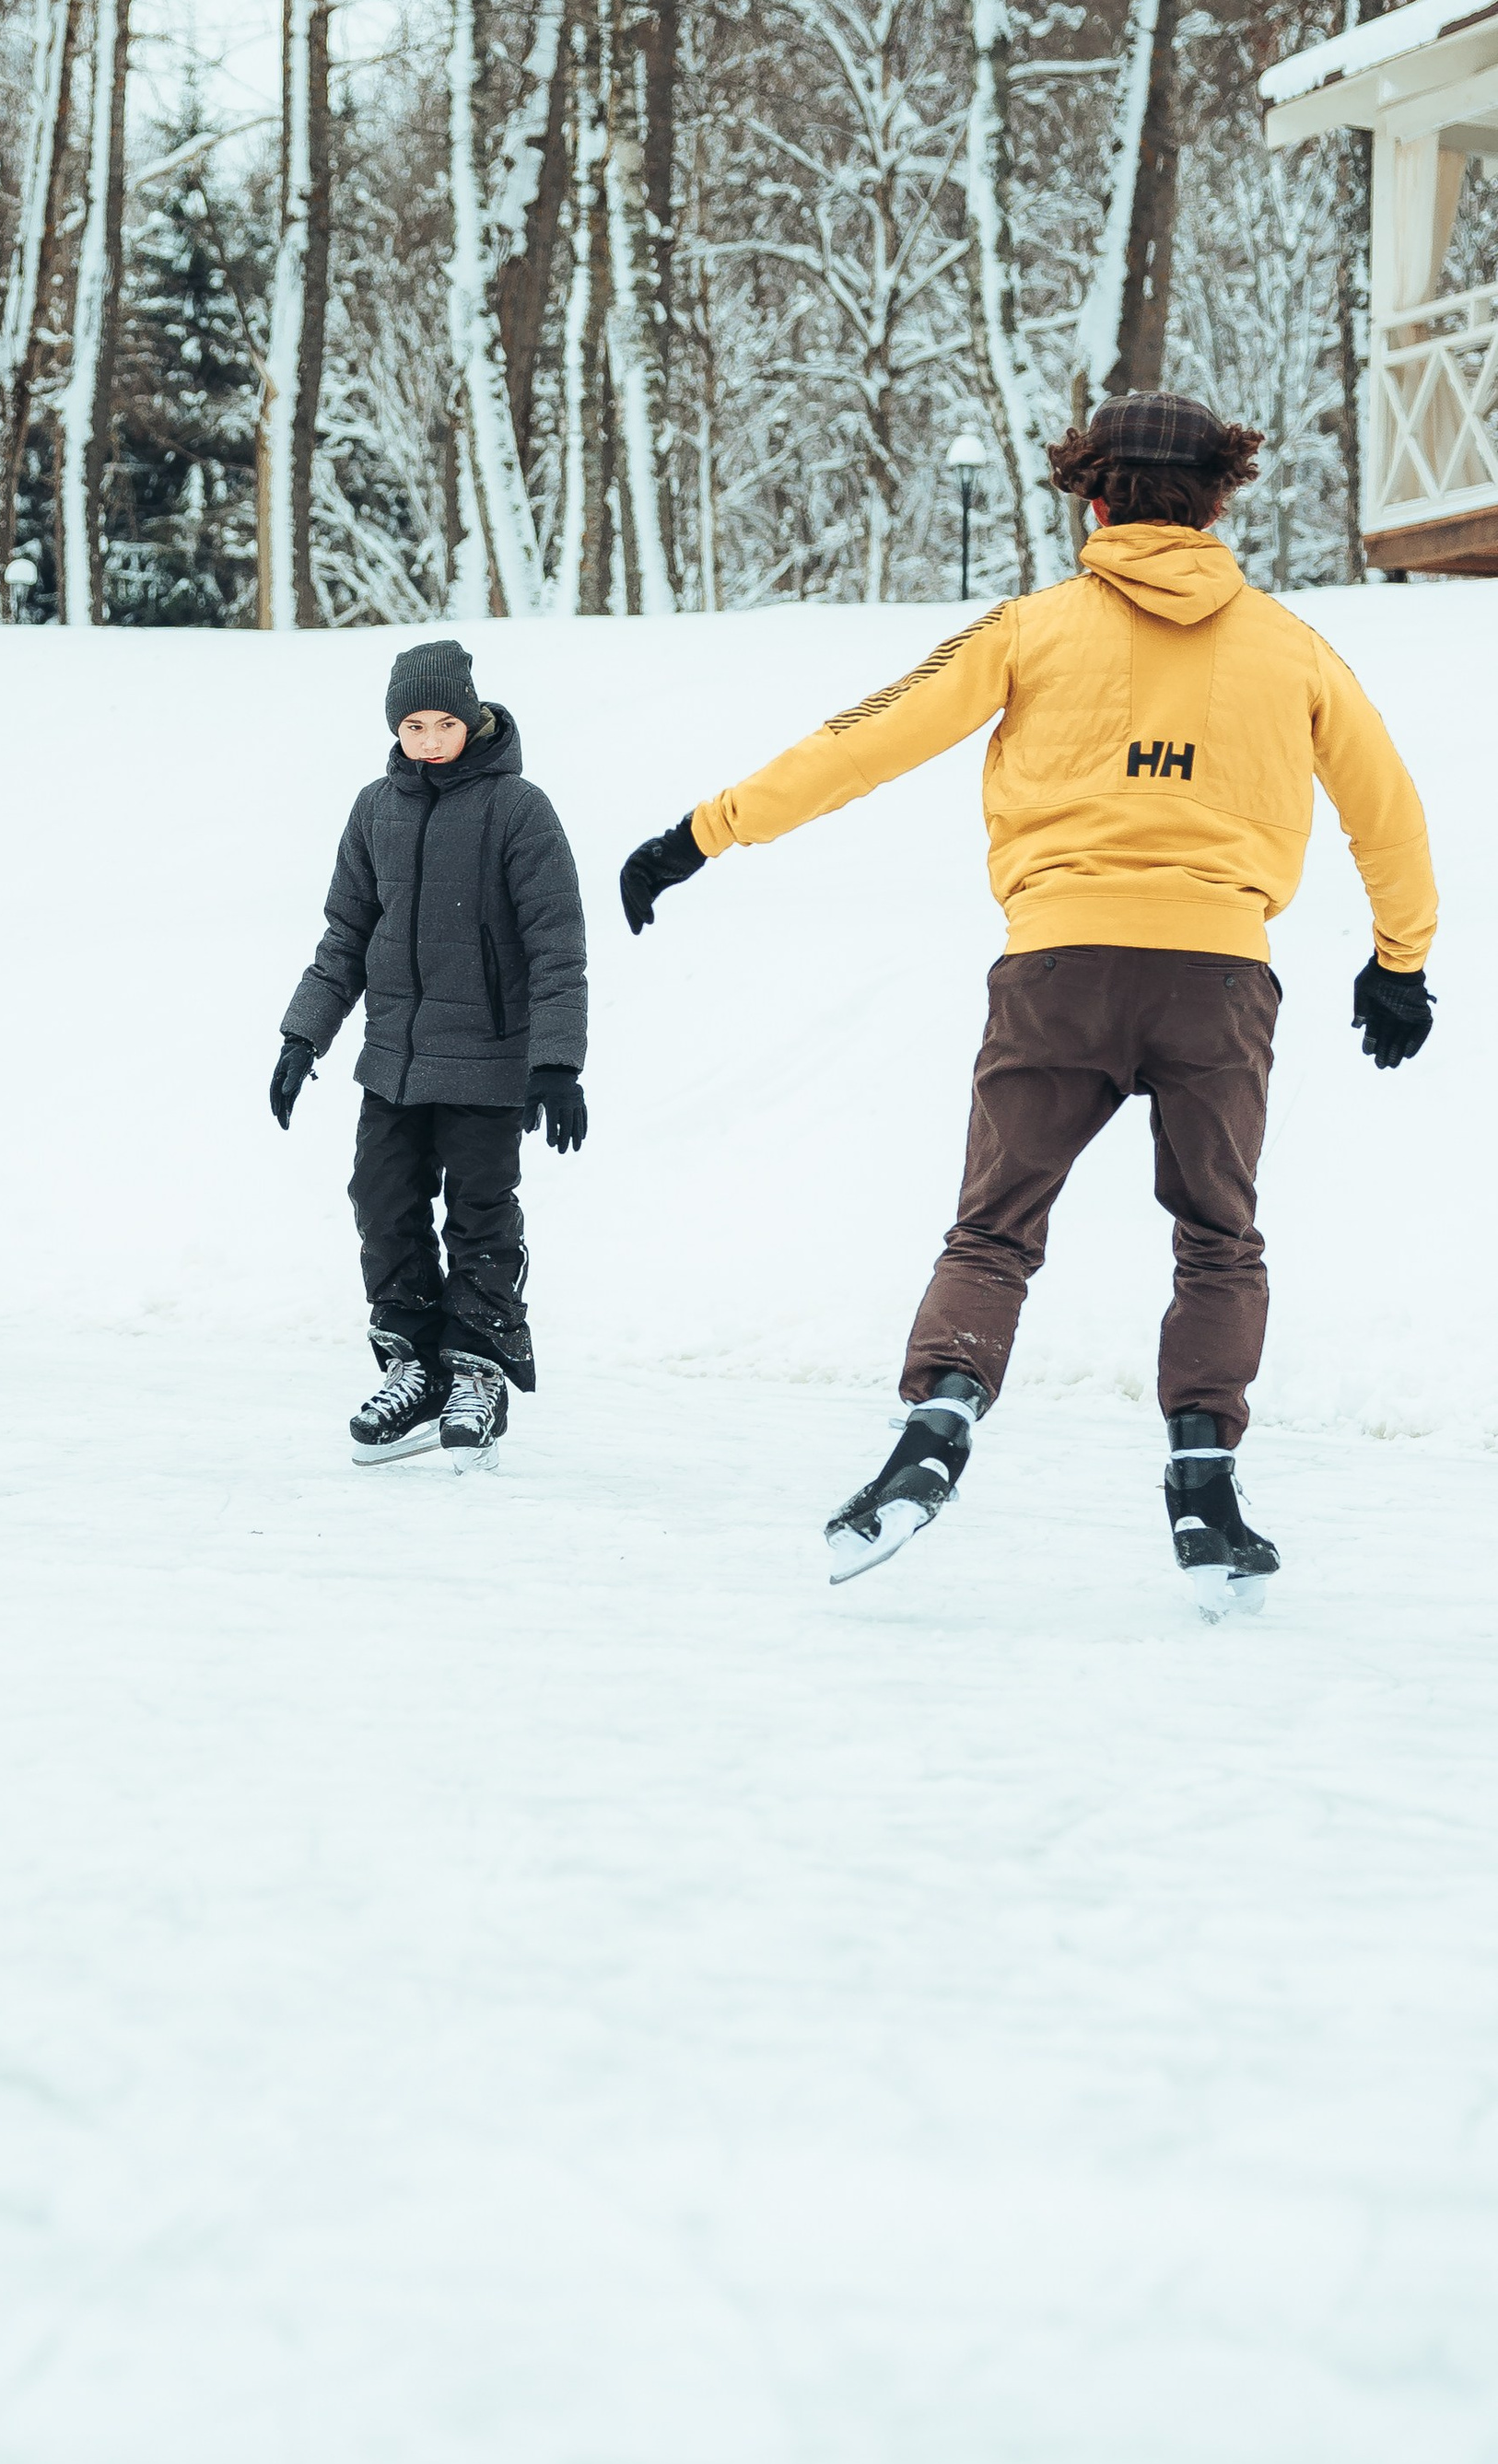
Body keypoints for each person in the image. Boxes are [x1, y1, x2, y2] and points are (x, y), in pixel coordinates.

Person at [619, 391, 1438, 1613]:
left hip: (1056, 971)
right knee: (1218, 1240)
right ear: (1217, 503)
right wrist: (1400, 962)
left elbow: (868, 739)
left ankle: (936, 1428)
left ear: (1092, 501)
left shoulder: (1030, 630)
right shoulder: (1292, 647)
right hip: (1218, 980)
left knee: (994, 1233)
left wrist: (700, 834)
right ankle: (1205, 1486)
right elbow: (1389, 809)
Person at [273, 636, 589, 1469]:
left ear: (472, 718)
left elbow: (557, 944)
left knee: (480, 1216)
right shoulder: (375, 809)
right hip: (394, 1061)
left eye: (444, 723)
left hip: (487, 1060)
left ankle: (478, 1370)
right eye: (412, 726)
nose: (429, 740)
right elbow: (346, 936)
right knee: (382, 1205)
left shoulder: (519, 809)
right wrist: (302, 1035)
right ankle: (415, 1365)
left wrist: (557, 1063)